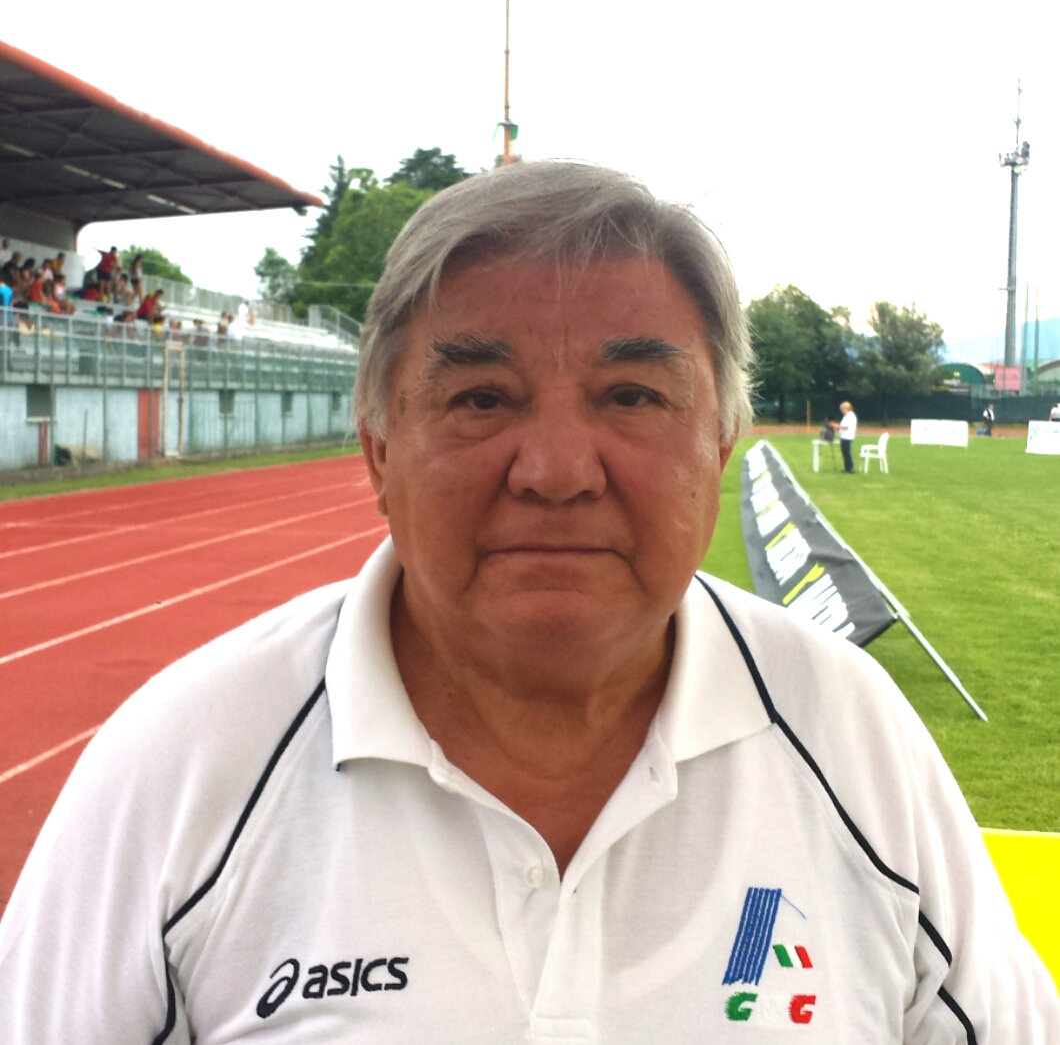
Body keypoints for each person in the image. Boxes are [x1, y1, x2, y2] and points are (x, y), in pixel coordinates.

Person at [0, 162, 1056, 1043]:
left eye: (632, 396)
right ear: (378, 451)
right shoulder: (182, 767)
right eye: (480, 398)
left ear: (720, 445)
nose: (555, 470)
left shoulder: (854, 740)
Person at [829, 400, 857, 472]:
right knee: (845, 452)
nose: (841, 411)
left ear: (846, 408)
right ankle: (847, 467)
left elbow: (845, 426)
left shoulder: (850, 416)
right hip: (845, 436)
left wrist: (834, 425)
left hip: (847, 436)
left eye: (842, 409)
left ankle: (850, 468)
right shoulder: (847, 416)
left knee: (846, 452)